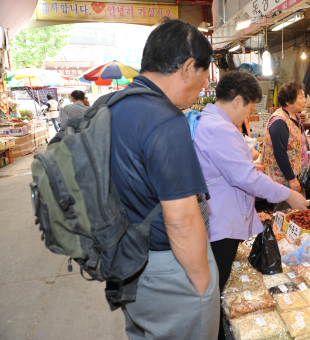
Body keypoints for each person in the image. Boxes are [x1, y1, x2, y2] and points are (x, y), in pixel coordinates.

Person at [108, 19, 219, 340]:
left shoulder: (112, 106)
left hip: (124, 262)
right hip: (167, 269)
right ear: (187, 68)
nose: (201, 88)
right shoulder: (166, 121)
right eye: (202, 76)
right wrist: (201, 283)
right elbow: (182, 220)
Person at [190, 71, 309, 340]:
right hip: (221, 223)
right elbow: (246, 178)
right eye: (250, 108)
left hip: (218, 215)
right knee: (213, 287)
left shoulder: (207, 121)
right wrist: (288, 194)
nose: (248, 116)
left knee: (214, 284)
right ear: (238, 101)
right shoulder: (219, 128)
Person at [261, 80, 308, 209]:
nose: (304, 100)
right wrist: (291, 179)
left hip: (290, 175)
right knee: (284, 213)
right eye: (301, 97)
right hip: (281, 180)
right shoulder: (279, 122)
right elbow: (280, 153)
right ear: (288, 101)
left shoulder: (294, 116)